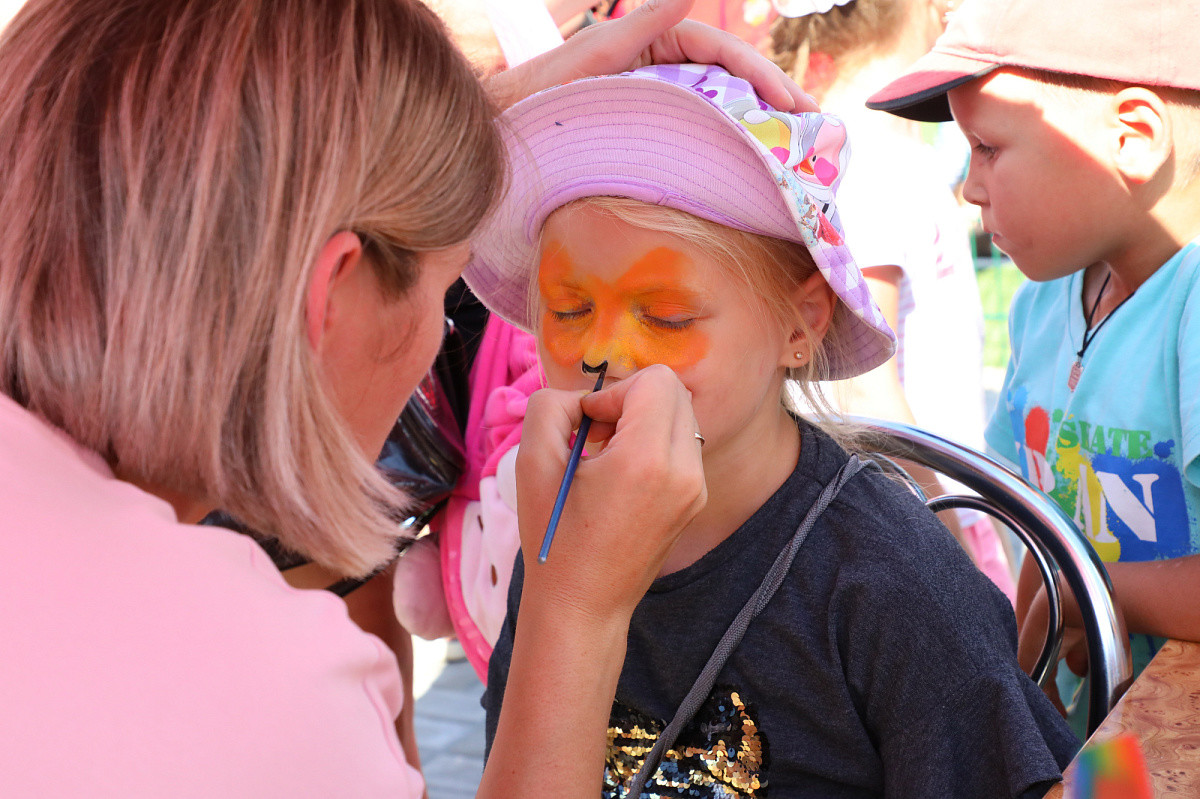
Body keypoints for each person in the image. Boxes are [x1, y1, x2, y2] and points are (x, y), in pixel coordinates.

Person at [0, 0, 814, 795]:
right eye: (450, 284)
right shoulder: (268, 700)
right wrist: (575, 616)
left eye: (667, 315)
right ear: (333, 294)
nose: (601, 352)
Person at [467, 62, 1078, 796]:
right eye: (567, 310)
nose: (602, 351)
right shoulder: (558, 536)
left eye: (666, 316)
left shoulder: (887, 580)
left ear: (801, 322)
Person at [866, 0, 1200, 733]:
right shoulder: (1043, 304)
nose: (969, 187)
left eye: (987, 148)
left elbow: (1069, 586)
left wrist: (1089, 593)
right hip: (1104, 738)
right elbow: (1044, 514)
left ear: (1135, 138)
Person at [770, 0, 1016, 602]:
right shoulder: (871, 156)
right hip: (920, 512)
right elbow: (860, 387)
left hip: (911, 506)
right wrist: (949, 545)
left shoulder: (855, 144)